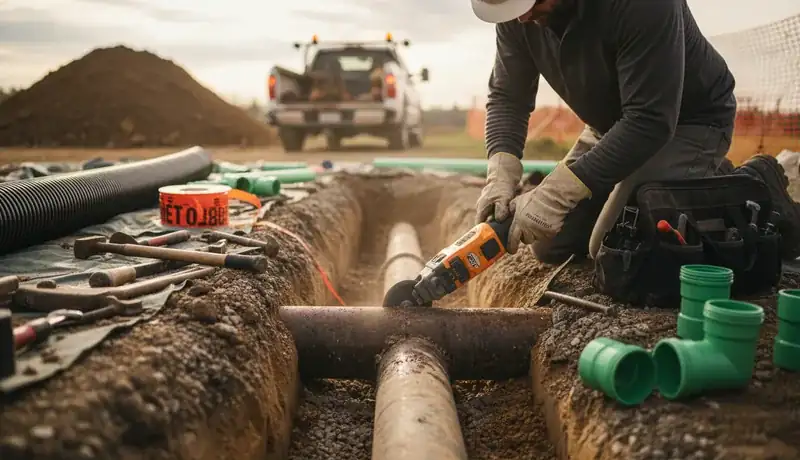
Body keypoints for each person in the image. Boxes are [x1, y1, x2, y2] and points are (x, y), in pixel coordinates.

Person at [472, 0, 800, 263]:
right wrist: (501, 172)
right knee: (550, 243)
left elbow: (650, 120)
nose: (522, 17)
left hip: (687, 123)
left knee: (614, 250)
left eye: (530, 3)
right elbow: (508, 97)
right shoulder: (516, 15)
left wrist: (557, 193)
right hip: (613, 126)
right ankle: (689, 180)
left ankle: (755, 187)